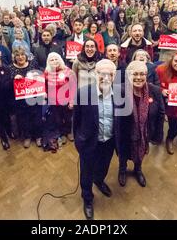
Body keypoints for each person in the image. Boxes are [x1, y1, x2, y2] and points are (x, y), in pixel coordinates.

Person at [73, 59, 119, 220]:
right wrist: (79, 141)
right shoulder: (83, 93)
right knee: (86, 173)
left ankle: (99, 181)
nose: (105, 77)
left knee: (104, 167)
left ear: (114, 75)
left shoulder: (120, 93)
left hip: (109, 141)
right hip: (89, 142)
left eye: (110, 74)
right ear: (95, 74)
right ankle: (87, 198)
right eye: (101, 73)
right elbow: (76, 121)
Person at [116, 60, 164, 187]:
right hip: (125, 133)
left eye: (142, 74)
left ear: (146, 75)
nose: (138, 77)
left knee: (141, 152)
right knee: (123, 154)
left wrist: (158, 135)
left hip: (145, 132)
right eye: (134, 74)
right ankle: (122, 170)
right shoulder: (118, 90)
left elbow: (160, 113)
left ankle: (138, 169)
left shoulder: (155, 91)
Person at [8, 47, 43, 148]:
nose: (20, 57)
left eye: (22, 55)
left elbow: (40, 78)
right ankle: (27, 136)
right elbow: (7, 85)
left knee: (37, 117)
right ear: (14, 57)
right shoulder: (10, 68)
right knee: (23, 119)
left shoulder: (33, 64)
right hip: (20, 100)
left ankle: (38, 136)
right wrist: (13, 80)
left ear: (26, 56)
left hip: (35, 97)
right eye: (17, 55)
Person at [44, 52, 76, 151]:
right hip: (54, 101)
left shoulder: (68, 71)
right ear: (48, 62)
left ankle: (68, 132)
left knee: (68, 118)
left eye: (56, 59)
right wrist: (44, 92)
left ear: (60, 59)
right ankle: (62, 133)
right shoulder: (46, 72)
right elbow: (43, 84)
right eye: (51, 60)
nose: (54, 61)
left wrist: (72, 101)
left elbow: (73, 87)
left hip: (66, 100)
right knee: (57, 119)